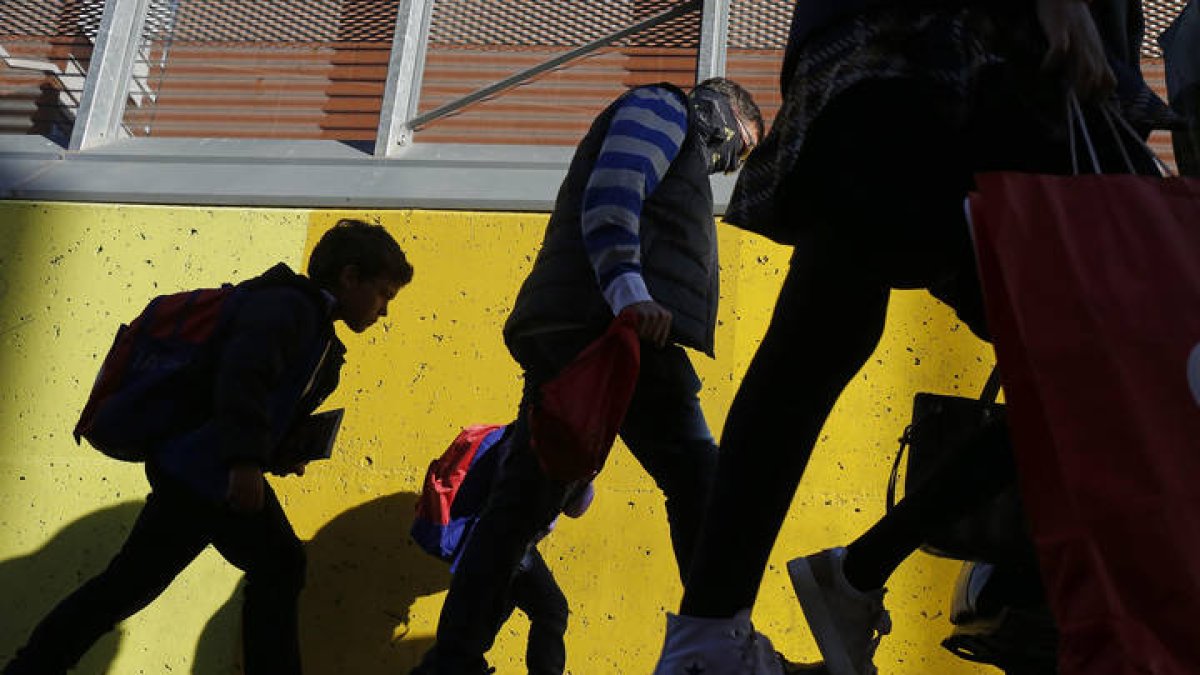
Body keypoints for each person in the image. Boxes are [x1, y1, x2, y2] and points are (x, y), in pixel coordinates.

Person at [652, 0, 1165, 673]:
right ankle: (950, 581)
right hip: (978, 41)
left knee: (833, 318)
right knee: (1113, 352)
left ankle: (721, 630)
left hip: (903, 47)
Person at [413, 78, 763, 675]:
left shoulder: (667, 125)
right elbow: (615, 189)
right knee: (699, 477)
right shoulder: (662, 108)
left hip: (587, 323)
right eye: (736, 149)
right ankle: (718, 643)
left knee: (520, 505)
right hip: (614, 328)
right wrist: (629, 289)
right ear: (720, 116)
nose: (726, 166)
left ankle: (453, 658)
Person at [4, 220, 413, 675]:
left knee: (150, 582)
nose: (384, 312)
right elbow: (242, 382)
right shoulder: (288, 310)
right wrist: (244, 464)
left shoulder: (308, 324)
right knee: (264, 567)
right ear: (350, 277)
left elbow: (259, 403)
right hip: (204, 473)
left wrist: (277, 455)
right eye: (384, 295)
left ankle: (31, 666)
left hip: (203, 470)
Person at [414, 426, 597, 675]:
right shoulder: (553, 439)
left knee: (472, 635)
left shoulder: (525, 431)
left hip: (494, 538)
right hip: (504, 538)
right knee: (550, 609)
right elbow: (574, 508)